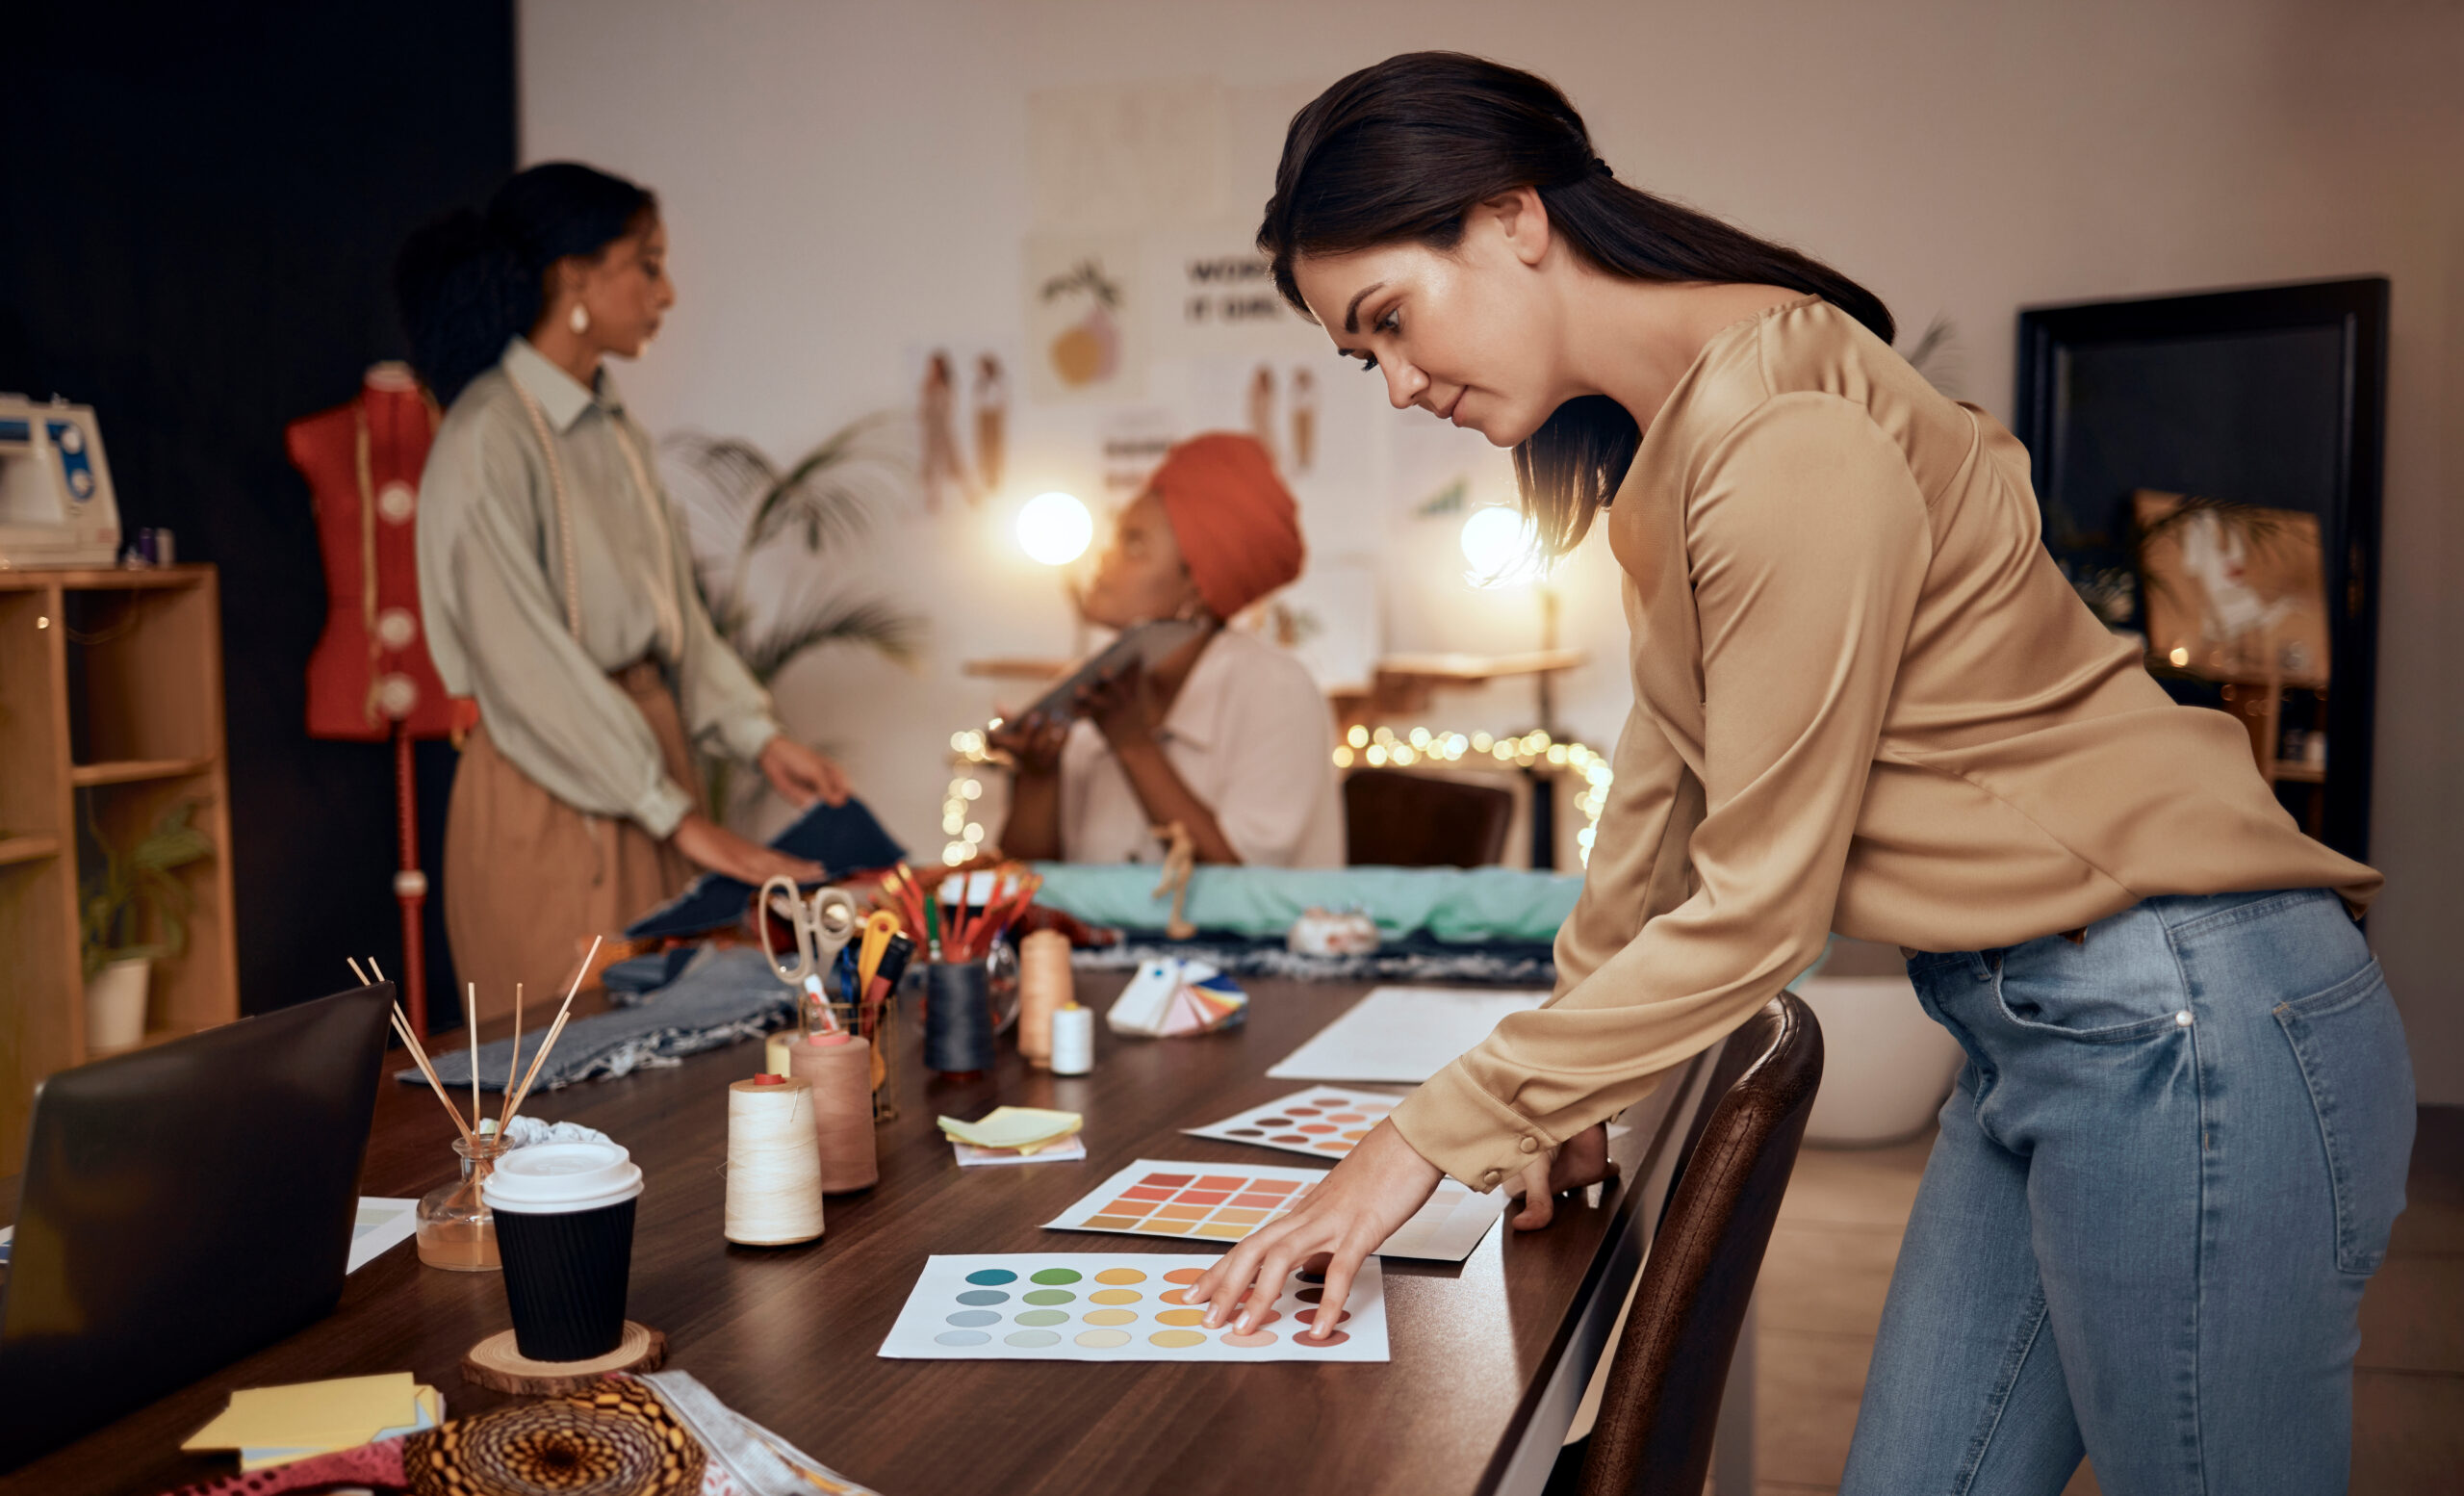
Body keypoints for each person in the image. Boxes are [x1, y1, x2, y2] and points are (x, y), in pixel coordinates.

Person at [1190, 54, 2408, 1496]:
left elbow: (1759, 909)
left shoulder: (1784, 435)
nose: (1394, 384)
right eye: (1359, 354)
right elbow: (1656, 803)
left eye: (1390, 320)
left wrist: (1418, 1141)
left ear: (1511, 216)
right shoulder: (1687, 442)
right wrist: (1558, 1088)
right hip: (2060, 1025)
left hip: (2182, 1016)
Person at [398, 162, 850, 1015]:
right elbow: (522, 666)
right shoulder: (488, 434)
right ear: (573, 276)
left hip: (647, 772)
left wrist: (756, 736)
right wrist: (676, 815)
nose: (668, 291)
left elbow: (675, 618)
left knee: (670, 1057)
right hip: (551, 786)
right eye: (647, 263)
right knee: (569, 1073)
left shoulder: (610, 424)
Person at [993, 432, 1343, 868]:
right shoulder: (1100, 685)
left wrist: (1132, 744)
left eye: (1134, 544)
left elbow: (1242, 887)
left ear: (1196, 585)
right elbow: (1027, 880)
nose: (1105, 557)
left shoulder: (1276, 687)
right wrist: (1038, 775)